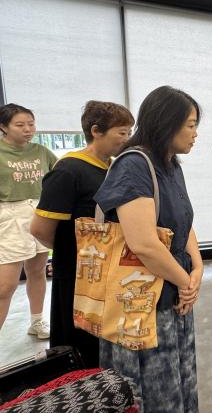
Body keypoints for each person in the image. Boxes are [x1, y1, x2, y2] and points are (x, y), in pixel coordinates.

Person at [93, 86, 203, 412]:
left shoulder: (171, 164)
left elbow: (183, 222)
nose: (195, 133)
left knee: (180, 377)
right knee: (155, 388)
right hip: (141, 300)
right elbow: (143, 244)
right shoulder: (134, 166)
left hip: (174, 290)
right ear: (168, 123)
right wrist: (185, 281)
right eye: (191, 125)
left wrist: (197, 268)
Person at [30, 101, 134, 367]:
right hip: (78, 276)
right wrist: (73, 253)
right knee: (81, 348)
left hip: (110, 272)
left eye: (130, 132)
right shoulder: (69, 170)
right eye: (122, 132)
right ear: (96, 131)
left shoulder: (115, 167)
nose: (128, 138)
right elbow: (40, 229)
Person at [0, 104, 57, 338]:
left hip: (39, 211)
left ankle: (37, 321)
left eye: (31, 124)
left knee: (37, 271)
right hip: (9, 214)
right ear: (3, 127)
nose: (28, 129)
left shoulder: (41, 151)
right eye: (20, 125)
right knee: (6, 285)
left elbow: (59, 174)